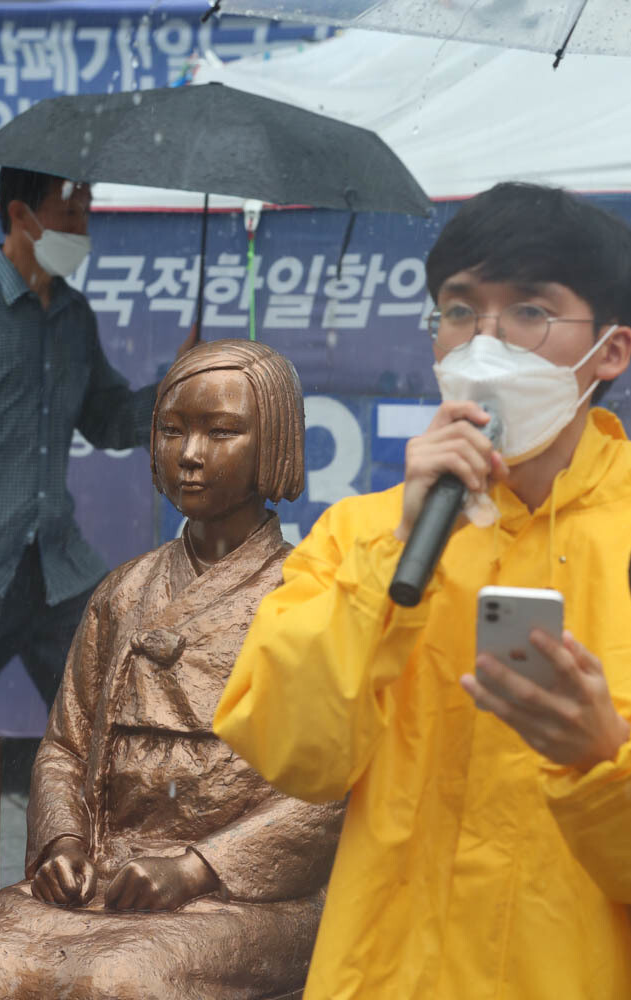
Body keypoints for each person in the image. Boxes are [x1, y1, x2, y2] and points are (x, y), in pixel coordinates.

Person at [214, 183, 631, 999]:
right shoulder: (360, 532)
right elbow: (294, 753)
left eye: (530, 314)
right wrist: (393, 547)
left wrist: (601, 763)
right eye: (458, 311)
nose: (484, 345)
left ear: (610, 351)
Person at [0, 339, 343, 1000]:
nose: (189, 454)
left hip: (243, 895)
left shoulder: (309, 594)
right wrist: (63, 845)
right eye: (171, 431)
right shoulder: (123, 590)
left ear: (273, 443)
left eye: (221, 433)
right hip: (104, 872)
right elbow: (65, 748)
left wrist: (196, 866)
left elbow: (330, 789)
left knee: (119, 980)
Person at [0, 166, 168, 715]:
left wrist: (175, 388)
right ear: (20, 215)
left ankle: (92, 802)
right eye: (70, 212)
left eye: (87, 211)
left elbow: (109, 417)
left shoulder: (75, 317)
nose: (83, 227)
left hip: (56, 571)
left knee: (107, 722)